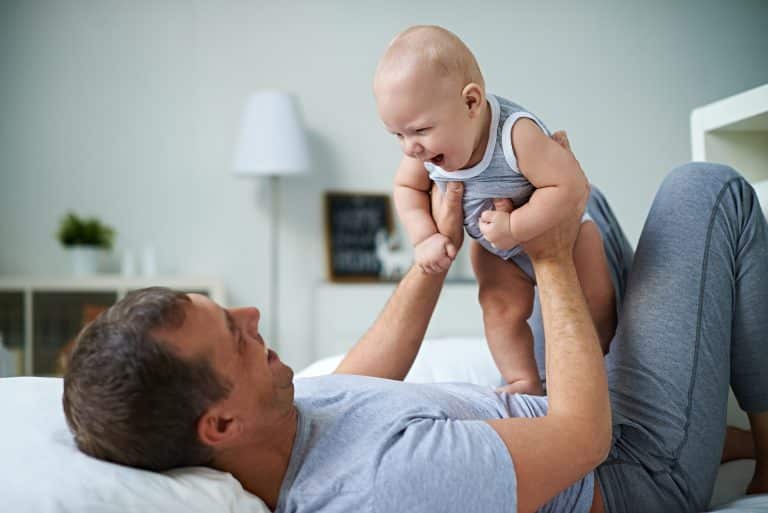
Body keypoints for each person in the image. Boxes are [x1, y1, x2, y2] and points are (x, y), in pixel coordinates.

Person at [63, 139, 768, 512]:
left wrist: (436, 255)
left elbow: (368, 373)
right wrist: (550, 257)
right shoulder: (381, 487)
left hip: (580, 418)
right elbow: (584, 439)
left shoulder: (284, 426)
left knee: (573, 203)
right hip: (632, 464)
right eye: (233, 336)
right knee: (704, 190)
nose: (252, 317)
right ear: (220, 425)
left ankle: (710, 419)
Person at [374, 25, 617, 395]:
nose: (410, 148)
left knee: (594, 305)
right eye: (398, 135)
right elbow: (407, 189)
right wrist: (425, 237)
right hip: (496, 250)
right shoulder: (422, 153)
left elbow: (569, 187)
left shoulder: (515, 135)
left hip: (565, 238)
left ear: (471, 103)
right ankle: (523, 380)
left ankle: (602, 368)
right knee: (498, 309)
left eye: (420, 130)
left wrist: (516, 226)